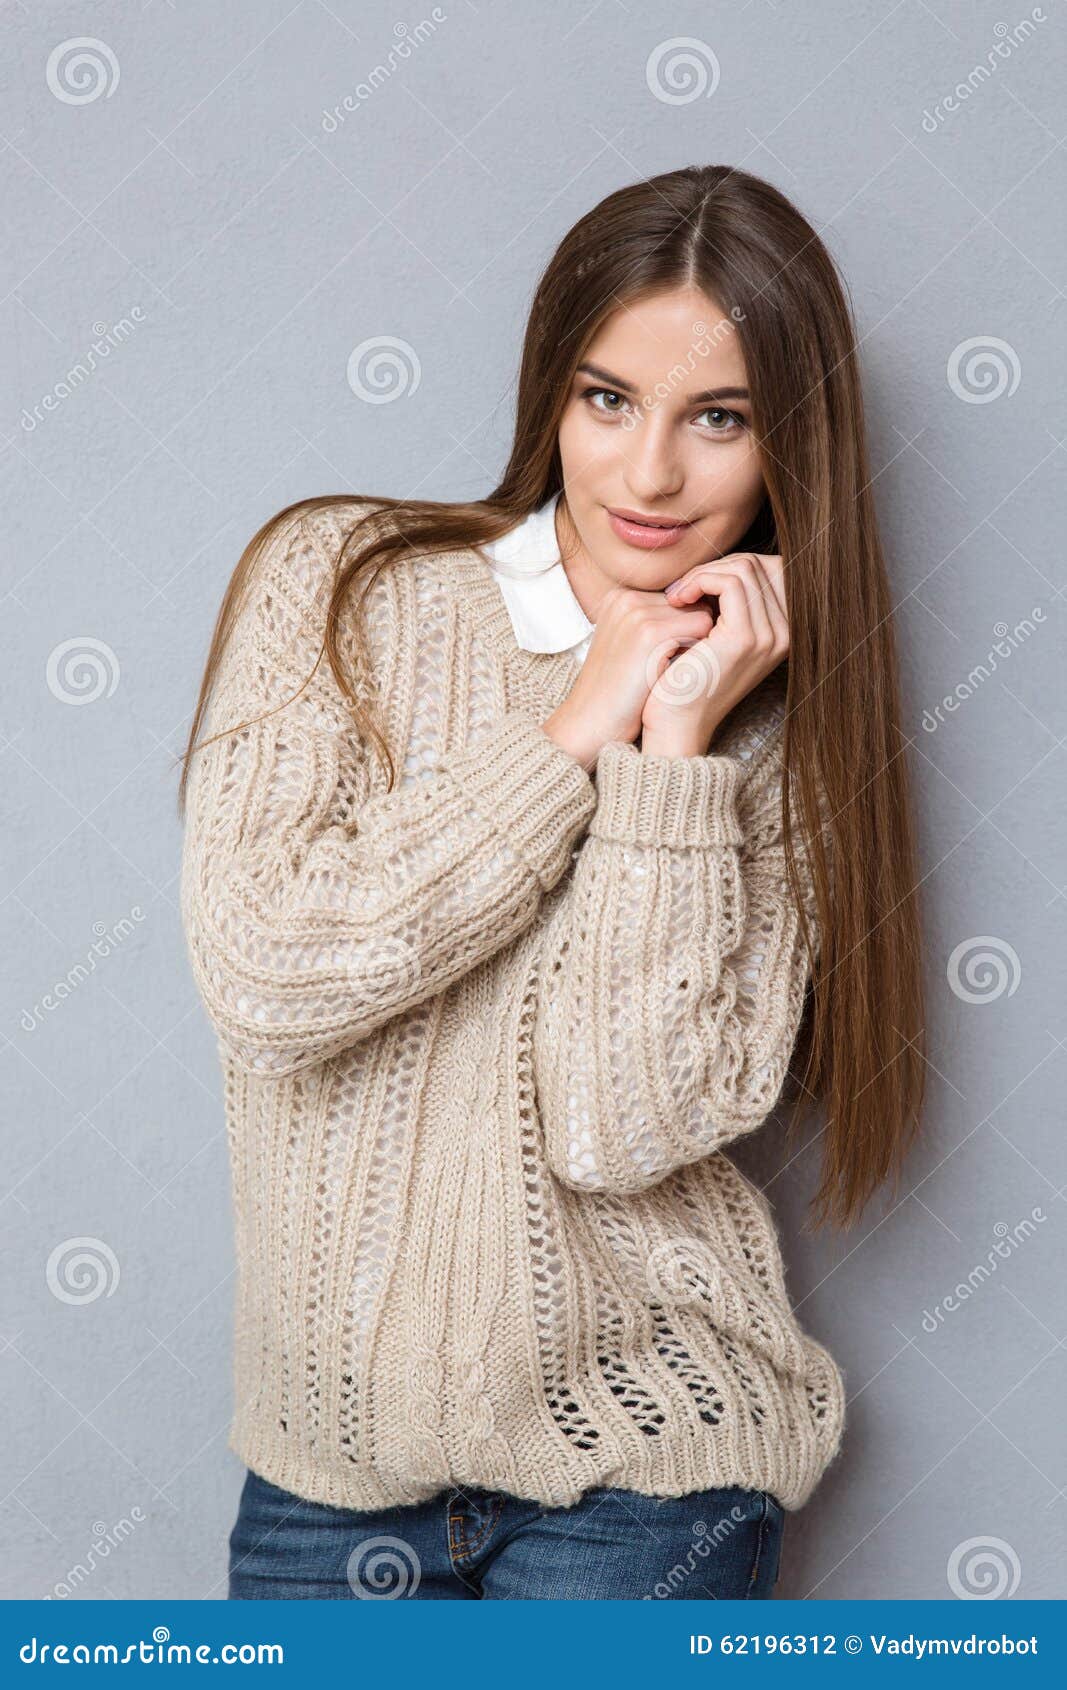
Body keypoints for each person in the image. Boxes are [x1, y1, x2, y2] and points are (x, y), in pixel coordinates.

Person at [178, 163, 925, 1600]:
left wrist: (675, 747)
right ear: (551, 394)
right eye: (607, 400)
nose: (651, 476)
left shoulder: (772, 721)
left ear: (792, 446)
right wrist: (574, 726)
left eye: (722, 419)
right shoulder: (338, 582)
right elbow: (269, 972)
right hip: (328, 1479)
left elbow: (620, 1120)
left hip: (646, 1480)